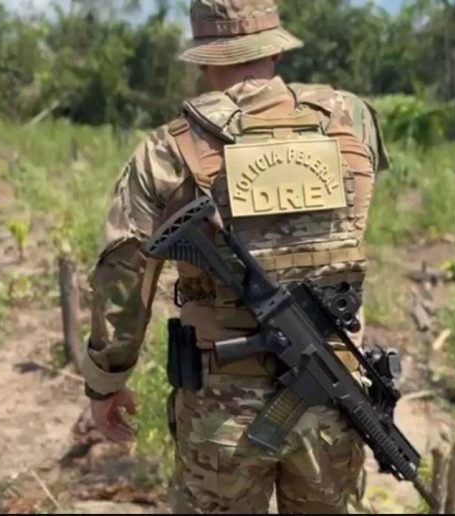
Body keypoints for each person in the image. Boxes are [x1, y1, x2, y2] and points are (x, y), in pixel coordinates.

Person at [80, 0, 390, 512]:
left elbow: (124, 270)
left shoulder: (166, 150)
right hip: (333, 405)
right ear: (274, 49)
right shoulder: (351, 119)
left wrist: (107, 381)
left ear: (204, 58)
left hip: (223, 411)